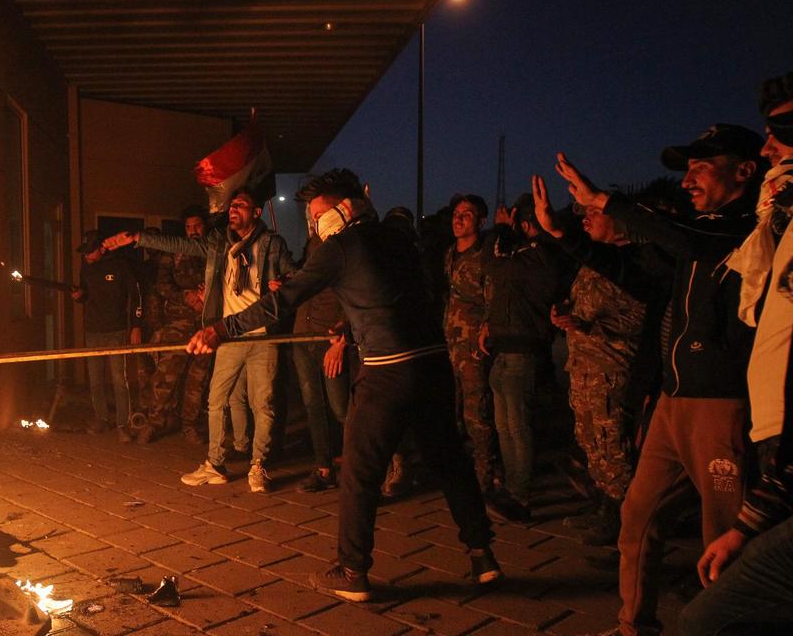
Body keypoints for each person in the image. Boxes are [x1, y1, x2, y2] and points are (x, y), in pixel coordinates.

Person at [185, 169, 502, 602]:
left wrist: (222, 328)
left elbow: (283, 299)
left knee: (357, 471)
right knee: (449, 460)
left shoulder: (340, 248)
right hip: (432, 364)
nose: (312, 224)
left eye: (316, 215)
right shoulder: (395, 236)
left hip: (387, 371)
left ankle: (352, 571)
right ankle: (482, 555)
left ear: (340, 211)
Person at [551, 123, 764, 636]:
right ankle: (633, 624)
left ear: (744, 171)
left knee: (725, 537)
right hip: (673, 399)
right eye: (685, 169)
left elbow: (688, 238)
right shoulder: (693, 236)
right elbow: (637, 277)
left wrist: (608, 200)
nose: (689, 179)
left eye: (701, 167)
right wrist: (565, 235)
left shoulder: (747, 229)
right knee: (639, 518)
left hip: (722, 404)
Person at [679, 73, 793, 635]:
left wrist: (748, 522)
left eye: (783, 131)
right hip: (771, 437)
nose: (770, 147)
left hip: (731, 407)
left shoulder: (735, 232)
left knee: (712, 620)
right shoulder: (773, 232)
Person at [104, 187, 295, 492]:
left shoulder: (272, 245)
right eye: (232, 205)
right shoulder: (219, 243)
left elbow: (293, 277)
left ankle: (258, 465)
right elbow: (180, 244)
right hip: (229, 334)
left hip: (263, 335)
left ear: (256, 213)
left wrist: (283, 282)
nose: (234, 209)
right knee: (216, 399)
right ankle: (215, 464)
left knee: (264, 403)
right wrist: (139, 238)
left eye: (241, 205)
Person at [533, 195, 648, 546]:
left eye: (595, 214)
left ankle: (627, 527)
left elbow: (640, 319)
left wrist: (588, 328)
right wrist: (566, 316)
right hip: (584, 367)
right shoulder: (590, 264)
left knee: (614, 448)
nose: (585, 221)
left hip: (611, 370)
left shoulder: (634, 264)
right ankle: (603, 508)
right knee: (591, 443)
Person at [479, 193, 566, 522]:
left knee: (517, 426)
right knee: (505, 426)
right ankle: (511, 485)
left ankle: (521, 495)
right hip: (505, 349)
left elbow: (492, 264)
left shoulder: (541, 253)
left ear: (524, 222)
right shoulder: (525, 252)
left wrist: (500, 230)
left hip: (522, 350)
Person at [136, 206, 213, 444]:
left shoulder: (214, 250)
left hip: (206, 323)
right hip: (178, 323)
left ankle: (189, 424)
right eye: (189, 227)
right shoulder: (174, 253)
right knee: (167, 375)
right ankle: (154, 422)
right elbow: (162, 286)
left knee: (197, 378)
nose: (193, 231)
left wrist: (207, 296)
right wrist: (185, 296)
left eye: (197, 225)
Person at [444, 193, 500, 497]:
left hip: (474, 345)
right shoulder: (450, 253)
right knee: (455, 410)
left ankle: (485, 476)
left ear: (480, 219)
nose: (458, 218)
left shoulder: (486, 254)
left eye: (467, 213)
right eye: (456, 212)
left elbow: (494, 297)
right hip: (451, 343)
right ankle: (462, 470)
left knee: (477, 412)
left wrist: (486, 330)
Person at [290, 231, 351, 492]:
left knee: (341, 409)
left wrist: (343, 338)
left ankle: (363, 466)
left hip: (330, 343)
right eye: (310, 252)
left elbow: (355, 306)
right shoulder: (306, 273)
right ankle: (324, 470)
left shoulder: (344, 271)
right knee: (313, 406)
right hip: (302, 340)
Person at [72, 230, 143, 440]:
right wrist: (79, 297)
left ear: (102, 248)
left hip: (116, 330)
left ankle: (123, 423)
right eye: (84, 253)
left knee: (118, 380)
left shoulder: (120, 266)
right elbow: (85, 294)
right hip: (92, 331)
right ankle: (102, 418)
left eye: (91, 252)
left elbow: (135, 294)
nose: (87, 256)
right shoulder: (86, 267)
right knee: (95, 380)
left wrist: (136, 326)